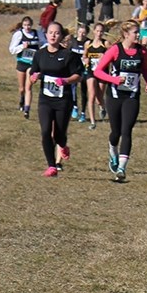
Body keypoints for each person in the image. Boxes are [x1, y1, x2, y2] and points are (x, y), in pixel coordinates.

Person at [93, 20, 147, 181]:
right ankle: (113, 149)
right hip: (114, 96)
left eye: (138, 32)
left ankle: (121, 168)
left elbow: (144, 69)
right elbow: (98, 71)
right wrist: (113, 80)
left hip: (132, 96)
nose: (138, 35)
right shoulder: (115, 50)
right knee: (116, 132)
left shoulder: (143, 52)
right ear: (126, 34)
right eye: (135, 32)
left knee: (127, 131)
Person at [29, 22, 84, 177]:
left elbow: (79, 75)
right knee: (46, 131)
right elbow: (33, 72)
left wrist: (66, 81)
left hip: (63, 100)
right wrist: (34, 77)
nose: (53, 35)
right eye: (50, 32)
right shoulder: (40, 54)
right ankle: (51, 166)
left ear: (61, 36)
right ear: (46, 35)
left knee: (59, 134)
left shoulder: (68, 55)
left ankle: (63, 145)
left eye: (56, 33)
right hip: (45, 99)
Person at [8, 16, 39, 118]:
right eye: (25, 25)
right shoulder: (19, 34)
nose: (27, 27)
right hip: (22, 62)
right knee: (22, 88)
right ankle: (22, 98)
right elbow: (12, 49)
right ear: (22, 25)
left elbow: (44, 44)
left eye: (29, 25)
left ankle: (27, 109)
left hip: (32, 64)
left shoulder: (37, 34)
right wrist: (22, 47)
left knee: (28, 87)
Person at [83, 23, 108, 130]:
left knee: (99, 97)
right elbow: (84, 55)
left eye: (101, 31)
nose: (99, 33)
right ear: (94, 31)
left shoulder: (105, 43)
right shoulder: (88, 43)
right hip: (91, 71)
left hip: (102, 72)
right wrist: (85, 59)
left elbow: (113, 55)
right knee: (91, 95)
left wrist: (105, 56)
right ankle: (93, 122)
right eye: (97, 31)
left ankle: (102, 107)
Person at [69, 23, 90, 123]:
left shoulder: (88, 43)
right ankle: (74, 106)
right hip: (74, 70)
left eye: (84, 33)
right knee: (72, 88)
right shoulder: (72, 41)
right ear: (77, 32)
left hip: (85, 70)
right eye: (80, 32)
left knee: (83, 91)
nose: (81, 34)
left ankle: (83, 113)